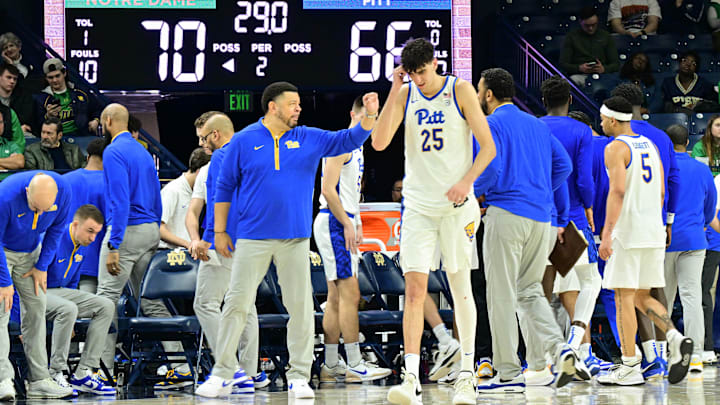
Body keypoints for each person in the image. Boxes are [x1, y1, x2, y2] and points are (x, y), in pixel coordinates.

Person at [194, 82, 378, 400]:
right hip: (251, 238)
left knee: (301, 309)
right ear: (272, 106)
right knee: (236, 304)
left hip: (295, 238)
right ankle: (223, 373)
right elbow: (223, 188)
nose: (298, 108)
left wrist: (370, 117)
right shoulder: (244, 140)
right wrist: (220, 231)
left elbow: (348, 138)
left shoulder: (307, 137)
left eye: (299, 103)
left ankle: (299, 377)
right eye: (292, 104)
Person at [364, 38, 495, 405]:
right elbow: (379, 141)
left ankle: (467, 374)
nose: (418, 80)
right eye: (412, 74)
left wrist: (466, 181)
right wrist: (394, 89)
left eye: (422, 72)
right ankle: (410, 377)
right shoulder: (406, 93)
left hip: (456, 206)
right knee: (415, 290)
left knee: (459, 286)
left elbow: (488, 147)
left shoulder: (460, 89)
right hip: (419, 206)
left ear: (434, 63)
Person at [473, 68, 580, 395]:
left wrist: (475, 192)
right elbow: (564, 166)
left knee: (501, 295)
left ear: (488, 94)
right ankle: (559, 347)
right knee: (530, 290)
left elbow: (488, 167)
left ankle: (508, 374)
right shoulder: (536, 123)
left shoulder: (491, 124)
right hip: (541, 219)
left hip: (506, 214)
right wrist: (539, 189)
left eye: (480, 90)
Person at [596, 96, 692, 386]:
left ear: (613, 120)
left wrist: (607, 232)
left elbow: (618, 192)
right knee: (640, 295)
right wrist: (662, 225)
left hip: (628, 230)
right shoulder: (649, 144)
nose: (600, 123)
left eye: (602, 119)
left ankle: (628, 365)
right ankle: (674, 337)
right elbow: (662, 190)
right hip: (652, 229)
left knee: (623, 296)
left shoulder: (615, 147)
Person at [95, 104, 187, 388]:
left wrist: (114, 243)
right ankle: (182, 365)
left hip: (128, 230)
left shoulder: (113, 151)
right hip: (149, 230)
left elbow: (120, 201)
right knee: (150, 300)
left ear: (108, 121)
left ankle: (100, 372)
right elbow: (158, 199)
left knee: (105, 299)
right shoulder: (143, 150)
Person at [315, 96, 391, 384]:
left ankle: (332, 364)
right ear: (353, 114)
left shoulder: (358, 147)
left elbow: (348, 193)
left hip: (342, 221)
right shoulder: (340, 142)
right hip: (334, 221)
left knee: (336, 298)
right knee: (350, 295)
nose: (370, 122)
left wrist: (355, 221)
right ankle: (356, 363)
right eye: (366, 116)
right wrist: (347, 221)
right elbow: (328, 189)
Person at [539, 76, 611, 376]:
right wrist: (590, 206)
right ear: (570, 100)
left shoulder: (534, 126)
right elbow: (583, 178)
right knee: (591, 280)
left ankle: (546, 356)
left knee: (541, 288)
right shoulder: (582, 130)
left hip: (539, 214)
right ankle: (577, 345)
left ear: (543, 101)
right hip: (572, 215)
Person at [612, 83, 680, 376]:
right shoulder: (661, 138)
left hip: (628, 224)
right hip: (655, 222)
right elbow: (673, 181)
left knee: (626, 294)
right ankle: (670, 347)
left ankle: (646, 357)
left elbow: (612, 188)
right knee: (654, 288)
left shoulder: (619, 140)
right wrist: (669, 221)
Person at [189, 112, 260, 394]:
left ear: (215, 135)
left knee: (205, 303)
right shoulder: (252, 151)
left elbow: (220, 199)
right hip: (254, 240)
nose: (202, 144)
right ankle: (250, 373)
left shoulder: (221, 157)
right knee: (244, 306)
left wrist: (208, 239)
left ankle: (231, 370)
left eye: (203, 138)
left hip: (226, 240)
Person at [0, 171, 74, 399]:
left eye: (45, 209)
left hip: (31, 253)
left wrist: (42, 266)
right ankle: (3, 380)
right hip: (4, 252)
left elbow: (56, 230)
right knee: (2, 310)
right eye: (35, 208)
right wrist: (4, 282)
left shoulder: (63, 192)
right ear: (26, 193)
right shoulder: (5, 196)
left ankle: (40, 379)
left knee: (36, 309)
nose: (40, 214)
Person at [45, 204, 115, 395]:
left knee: (106, 306)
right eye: (90, 231)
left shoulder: (82, 247)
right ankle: (55, 372)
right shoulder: (54, 239)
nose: (92, 238)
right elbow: (29, 277)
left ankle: (84, 372)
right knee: (67, 308)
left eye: (96, 234)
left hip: (60, 292)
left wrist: (72, 320)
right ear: (75, 225)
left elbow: (73, 283)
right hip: (37, 292)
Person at [663, 124, 716, 373]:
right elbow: (710, 206)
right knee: (692, 297)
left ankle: (667, 355)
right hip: (695, 239)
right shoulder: (702, 169)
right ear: (687, 142)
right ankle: (695, 357)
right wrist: (699, 224)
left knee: (664, 298)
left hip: (665, 239)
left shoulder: (663, 166)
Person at [63, 138, 106, 294]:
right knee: (94, 311)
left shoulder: (64, 180)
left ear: (87, 157)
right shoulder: (110, 184)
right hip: (95, 260)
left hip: (63, 260)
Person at [34, 58, 101, 138]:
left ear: (64, 73)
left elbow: (97, 109)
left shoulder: (81, 92)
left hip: (81, 137)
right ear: (46, 78)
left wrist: (96, 120)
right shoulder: (40, 99)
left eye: (57, 76)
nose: (55, 80)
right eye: (50, 77)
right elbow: (36, 126)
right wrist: (47, 116)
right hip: (55, 140)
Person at [159, 147, 210, 249]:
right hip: (168, 255)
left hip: (189, 253)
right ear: (200, 173)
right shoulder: (172, 190)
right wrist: (188, 244)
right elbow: (159, 228)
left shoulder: (199, 194)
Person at [560, 6, 620, 87]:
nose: (591, 28)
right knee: (571, 81)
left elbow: (616, 64)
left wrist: (604, 69)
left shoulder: (605, 36)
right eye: (587, 25)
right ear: (580, 22)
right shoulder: (572, 37)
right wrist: (579, 68)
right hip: (580, 75)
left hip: (603, 75)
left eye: (594, 25)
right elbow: (564, 64)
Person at [0, 63, 33, 133]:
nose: (12, 81)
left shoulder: (24, 96)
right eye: (8, 77)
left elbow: (24, 120)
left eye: (15, 79)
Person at [0, 102, 25, 179]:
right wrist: (8, 165)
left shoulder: (10, 144)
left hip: (7, 186)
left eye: (0, 122)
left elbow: (20, 162)